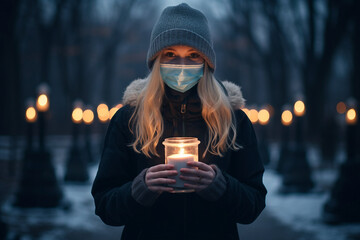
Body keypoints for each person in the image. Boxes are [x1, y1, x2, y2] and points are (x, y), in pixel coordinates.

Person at [91, 3, 267, 240]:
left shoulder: (232, 120)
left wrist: (220, 186)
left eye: (193, 55)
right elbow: (105, 205)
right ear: (156, 60)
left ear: (206, 63)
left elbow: (253, 205)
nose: (182, 66)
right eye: (171, 54)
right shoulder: (129, 119)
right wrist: (140, 189)